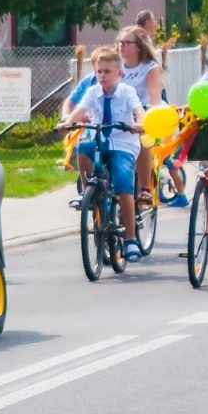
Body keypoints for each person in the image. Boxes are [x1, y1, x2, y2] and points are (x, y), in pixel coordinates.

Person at [61, 46, 145, 261]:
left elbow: (138, 110)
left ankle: (131, 239)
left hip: (122, 143)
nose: (102, 76)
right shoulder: (92, 92)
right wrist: (68, 122)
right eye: (99, 71)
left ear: (119, 74)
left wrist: (140, 123)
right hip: (99, 140)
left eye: (107, 72)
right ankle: (88, 189)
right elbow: (79, 110)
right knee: (82, 147)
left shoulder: (127, 92)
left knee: (124, 184)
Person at [116, 24, 182, 207]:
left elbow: (154, 97)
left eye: (126, 42)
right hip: (120, 111)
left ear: (138, 46)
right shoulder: (116, 65)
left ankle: (145, 187)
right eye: (120, 42)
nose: (121, 46)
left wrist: (146, 117)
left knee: (142, 138)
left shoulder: (150, 67)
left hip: (145, 111)